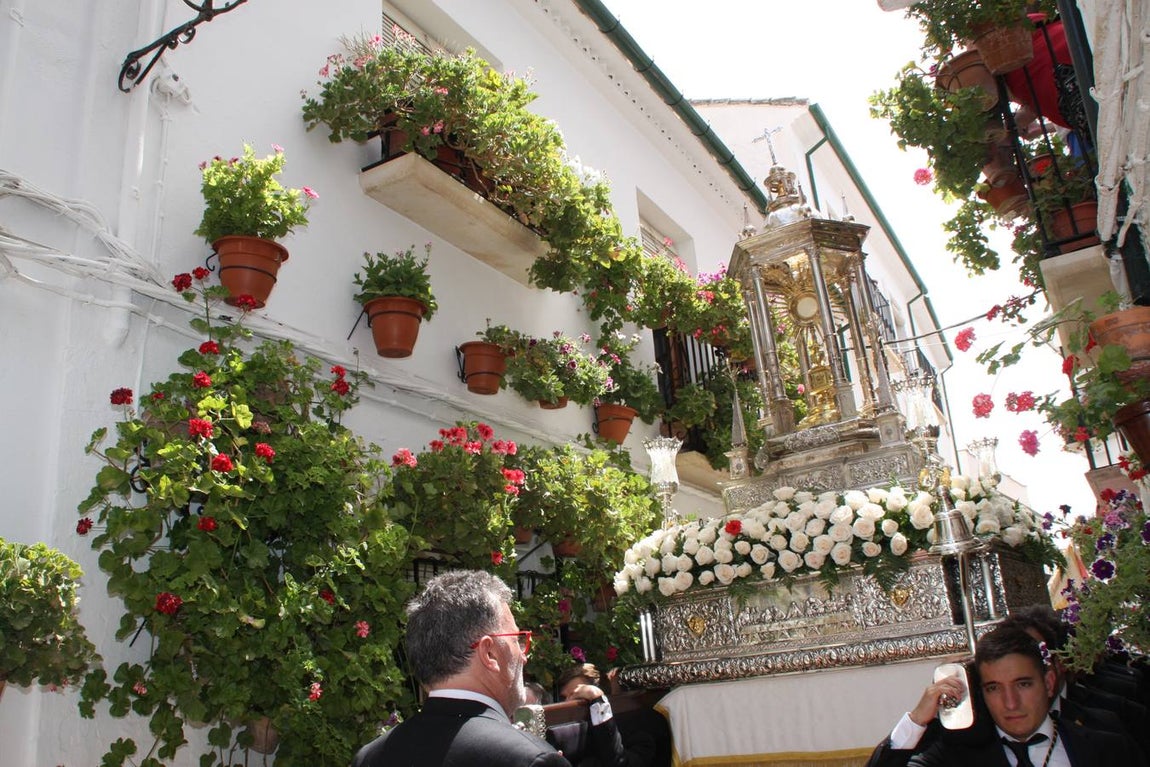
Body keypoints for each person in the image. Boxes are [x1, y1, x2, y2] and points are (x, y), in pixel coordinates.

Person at [351, 570, 570, 767]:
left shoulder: (370, 757)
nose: (523, 656)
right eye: (517, 640)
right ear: (489, 653)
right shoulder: (531, 759)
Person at [871, 624, 1141, 767]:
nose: (1010, 703)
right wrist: (917, 720)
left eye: (1023, 684)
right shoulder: (955, 757)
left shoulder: (1106, 748)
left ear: (1048, 683)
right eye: (994, 688)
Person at [557, 664, 666, 767]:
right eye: (564, 698)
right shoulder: (565, 733)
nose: (568, 702)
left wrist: (597, 700)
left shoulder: (636, 728)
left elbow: (621, 763)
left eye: (578, 698)